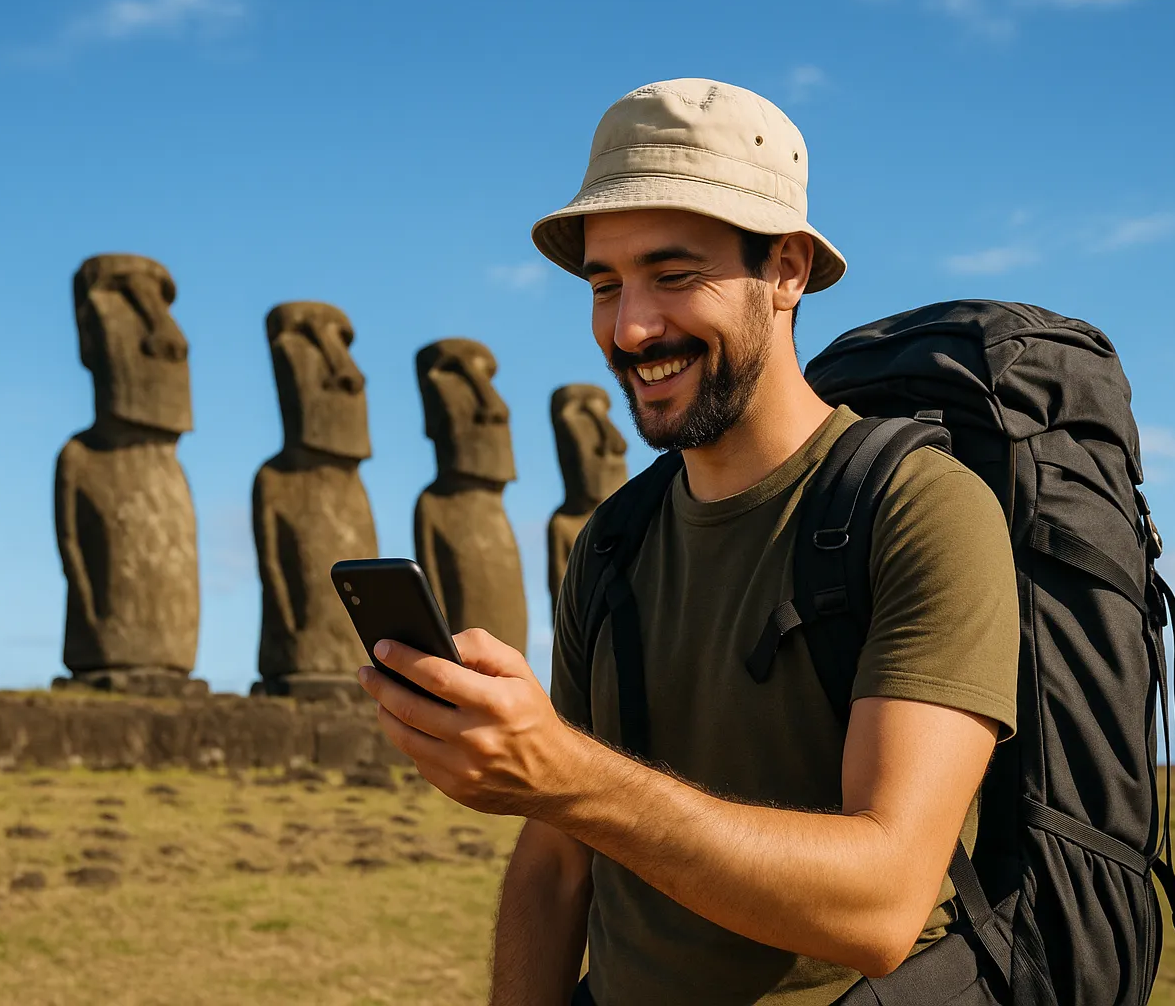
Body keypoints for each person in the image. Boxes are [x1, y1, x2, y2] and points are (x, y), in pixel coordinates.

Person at [355, 78, 1019, 1006]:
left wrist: (564, 772)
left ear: (786, 271)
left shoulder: (920, 509)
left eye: (674, 276)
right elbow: (555, 865)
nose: (631, 328)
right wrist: (548, 784)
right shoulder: (614, 542)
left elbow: (881, 906)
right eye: (605, 285)